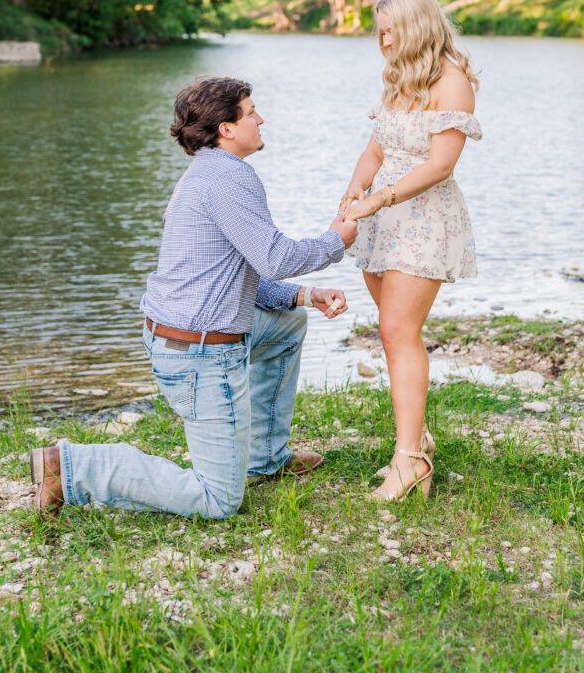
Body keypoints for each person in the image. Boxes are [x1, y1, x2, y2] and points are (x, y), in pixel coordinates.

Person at [31, 77, 357, 519]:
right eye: (252, 111)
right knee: (218, 501)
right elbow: (276, 257)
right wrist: (336, 240)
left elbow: (235, 274)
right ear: (227, 128)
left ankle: (265, 459)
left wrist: (305, 295)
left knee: (285, 325)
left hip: (185, 336)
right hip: (198, 355)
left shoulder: (206, 173)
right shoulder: (228, 179)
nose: (261, 118)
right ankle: (69, 467)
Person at [341, 0, 481, 503]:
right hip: (383, 215)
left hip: (422, 215)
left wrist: (381, 199)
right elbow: (375, 149)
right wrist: (355, 188)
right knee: (391, 331)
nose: (382, 37)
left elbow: (441, 164)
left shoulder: (453, 81)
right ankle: (414, 435)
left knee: (400, 330)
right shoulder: (399, 78)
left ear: (416, 23)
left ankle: (411, 462)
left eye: (389, 26)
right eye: (380, 28)